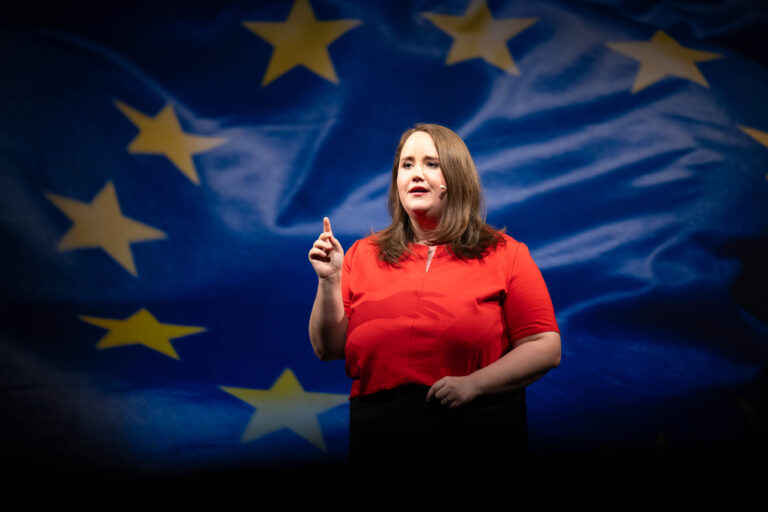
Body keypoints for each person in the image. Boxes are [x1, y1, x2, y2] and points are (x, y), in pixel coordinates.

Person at [308, 123, 560, 463]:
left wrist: (474, 385)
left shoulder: (506, 254)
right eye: (407, 165)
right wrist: (329, 280)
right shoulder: (360, 254)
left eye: (431, 163)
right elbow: (328, 348)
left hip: (475, 428)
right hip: (379, 434)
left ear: (455, 178)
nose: (416, 174)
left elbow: (544, 347)